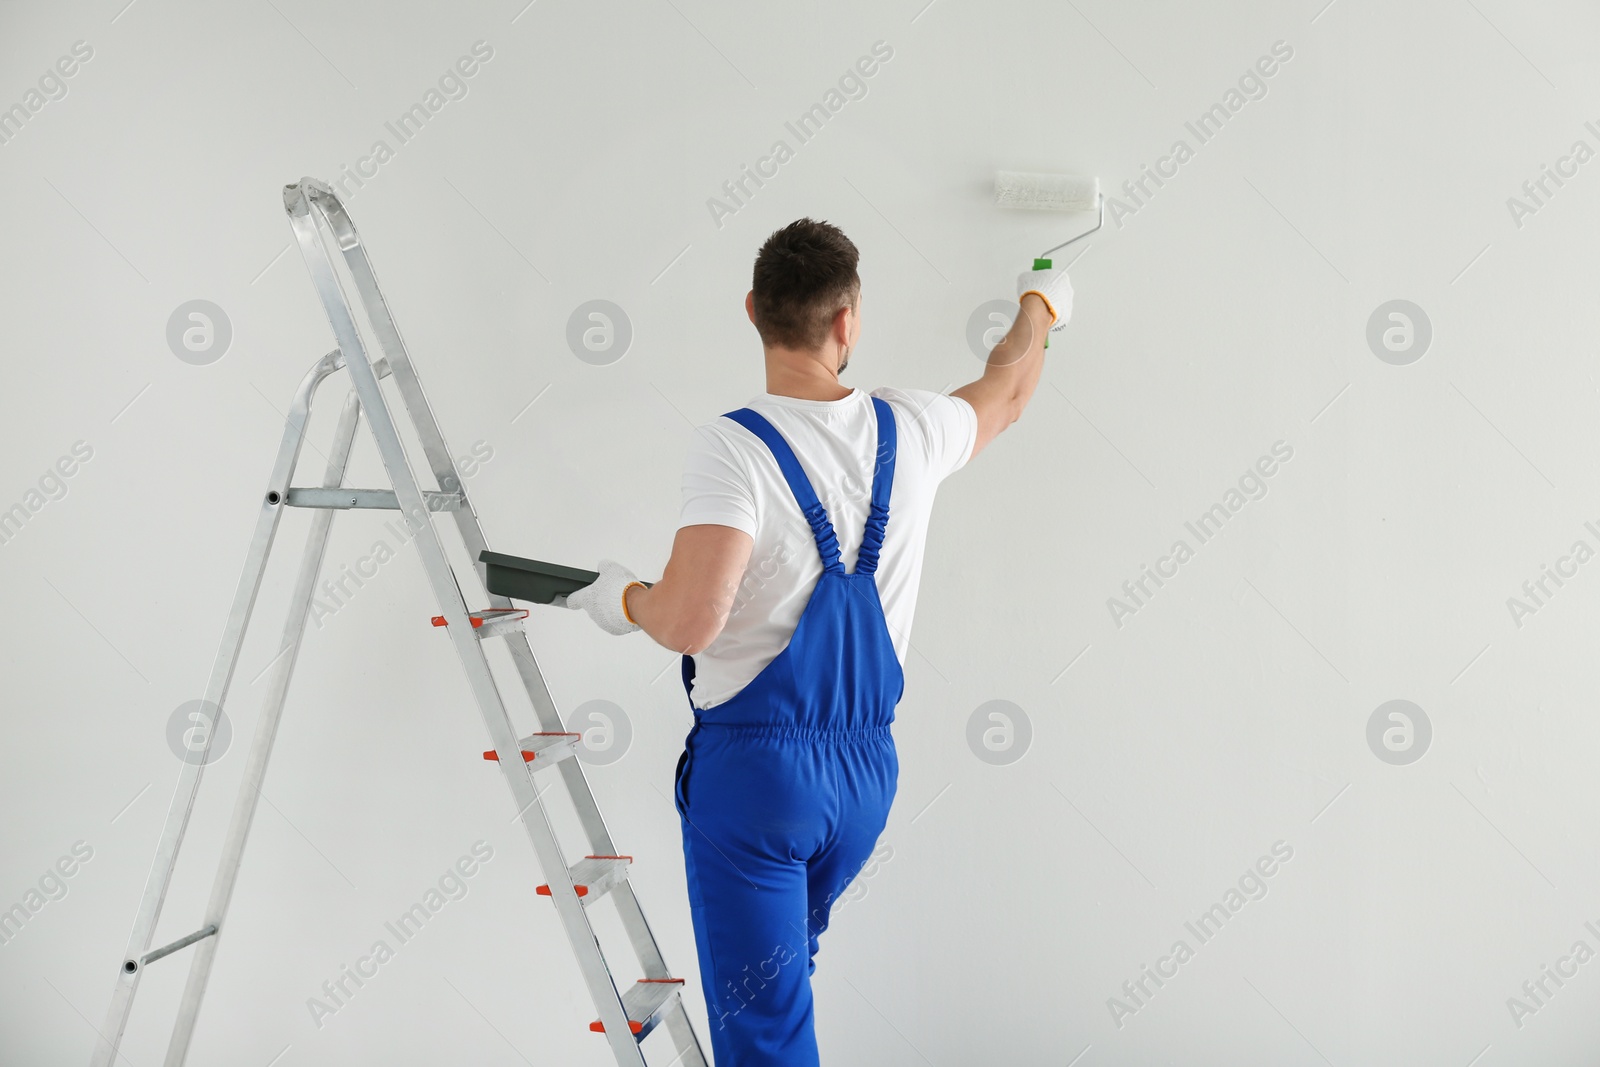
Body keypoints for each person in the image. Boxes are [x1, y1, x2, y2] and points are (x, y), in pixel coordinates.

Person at [567, 217, 1072, 1066]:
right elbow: (1010, 390)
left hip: (759, 784)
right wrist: (1041, 306)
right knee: (781, 984)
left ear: (753, 310)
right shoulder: (911, 428)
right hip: (863, 782)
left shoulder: (733, 448)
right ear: (848, 322)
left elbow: (690, 619)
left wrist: (620, 597)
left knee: (765, 1036)